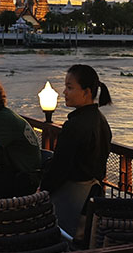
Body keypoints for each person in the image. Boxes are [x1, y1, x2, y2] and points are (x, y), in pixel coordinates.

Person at [41, 64, 112, 236]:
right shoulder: (100, 121)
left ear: (87, 92)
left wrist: (42, 190)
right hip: (92, 196)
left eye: (69, 87)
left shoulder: (75, 125)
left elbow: (60, 168)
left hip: (71, 196)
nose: (64, 92)